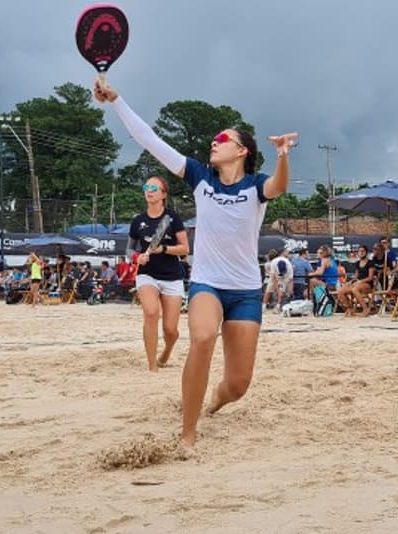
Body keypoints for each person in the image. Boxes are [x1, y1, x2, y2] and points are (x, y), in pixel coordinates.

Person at [97, 78, 296, 446]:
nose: (214, 143)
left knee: (237, 385)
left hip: (246, 291)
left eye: (222, 139)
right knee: (202, 337)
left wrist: (283, 154)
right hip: (208, 283)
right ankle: (187, 433)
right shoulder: (200, 177)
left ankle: (216, 403)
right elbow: (151, 141)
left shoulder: (255, 186)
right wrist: (116, 100)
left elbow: (279, 187)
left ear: (241, 151)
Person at [128, 175, 190, 372]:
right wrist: (137, 257)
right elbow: (129, 250)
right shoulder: (138, 221)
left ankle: (167, 350)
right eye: (147, 186)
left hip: (172, 275)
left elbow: (185, 249)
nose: (149, 190)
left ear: (164, 194)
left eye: (154, 187)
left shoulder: (173, 218)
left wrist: (162, 249)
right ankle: (152, 365)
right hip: (147, 274)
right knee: (151, 312)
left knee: (170, 330)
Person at [336, 245, 376, 316]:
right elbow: (356, 276)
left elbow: (370, 277)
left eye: (362, 251)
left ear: (366, 252)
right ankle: (350, 308)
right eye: (359, 251)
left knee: (355, 289)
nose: (361, 253)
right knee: (340, 291)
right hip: (357, 283)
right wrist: (350, 282)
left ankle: (365, 309)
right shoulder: (358, 263)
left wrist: (360, 281)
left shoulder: (370, 262)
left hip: (367, 284)